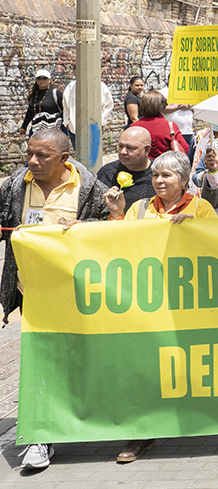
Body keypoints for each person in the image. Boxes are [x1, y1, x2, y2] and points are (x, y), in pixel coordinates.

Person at [0, 129, 108, 470]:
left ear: (65, 158)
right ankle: (40, 437)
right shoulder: (17, 185)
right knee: (38, 363)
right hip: (31, 293)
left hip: (77, 293)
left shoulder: (89, 187)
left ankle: (76, 423)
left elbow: (111, 228)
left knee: (77, 361)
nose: (32, 161)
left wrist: (85, 226)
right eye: (29, 154)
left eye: (41, 156)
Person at [99, 151, 216, 463]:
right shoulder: (139, 208)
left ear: (183, 179)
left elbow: (217, 248)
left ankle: (194, 419)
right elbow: (120, 246)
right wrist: (115, 215)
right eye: (155, 175)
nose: (159, 181)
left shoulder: (201, 207)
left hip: (188, 303)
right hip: (147, 301)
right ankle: (142, 434)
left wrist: (196, 229)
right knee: (143, 367)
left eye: (166, 176)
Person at [96, 126, 156, 206]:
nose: (123, 152)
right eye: (120, 146)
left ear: (147, 150)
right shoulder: (107, 173)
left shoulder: (158, 176)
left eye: (130, 148)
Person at [130, 91, 187, 158]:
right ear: (162, 106)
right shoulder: (170, 126)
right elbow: (185, 148)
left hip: (140, 166)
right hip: (165, 165)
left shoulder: (134, 127)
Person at [18, 69, 64, 137]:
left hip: (53, 129)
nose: (42, 80)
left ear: (49, 79)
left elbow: (65, 110)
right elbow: (30, 112)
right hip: (36, 128)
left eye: (44, 78)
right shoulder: (34, 94)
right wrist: (24, 127)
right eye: (39, 78)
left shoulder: (56, 93)